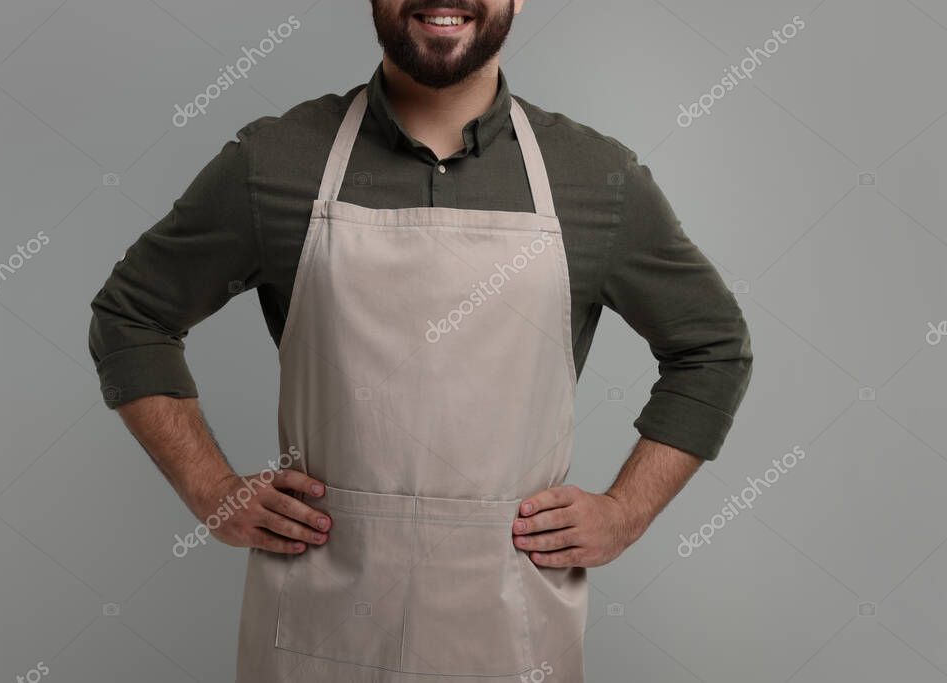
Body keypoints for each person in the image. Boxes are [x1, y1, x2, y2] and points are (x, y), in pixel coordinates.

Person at [88, 1, 753, 681]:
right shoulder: (277, 161)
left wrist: (626, 512)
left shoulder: (595, 179)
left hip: (511, 637)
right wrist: (212, 490)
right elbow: (131, 316)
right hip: (319, 628)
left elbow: (713, 348)